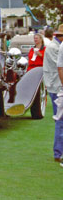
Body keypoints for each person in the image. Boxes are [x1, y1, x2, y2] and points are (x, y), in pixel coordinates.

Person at [43, 24, 63, 162]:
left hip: (56, 85)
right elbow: (60, 66)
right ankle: (58, 152)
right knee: (60, 120)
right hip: (57, 87)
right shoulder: (54, 48)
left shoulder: (55, 46)